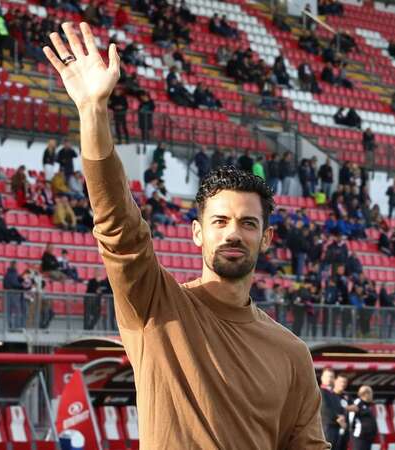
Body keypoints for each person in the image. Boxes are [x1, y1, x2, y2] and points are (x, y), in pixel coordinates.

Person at [42, 23, 328, 448]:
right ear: (196, 233)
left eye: (248, 223)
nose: (233, 233)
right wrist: (93, 111)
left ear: (266, 239)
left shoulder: (291, 353)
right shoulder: (155, 306)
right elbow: (118, 227)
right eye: (219, 221)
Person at [320, 368, 347, 447]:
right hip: (326, 428)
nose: (329, 379)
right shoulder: (320, 391)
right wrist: (338, 418)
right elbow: (325, 408)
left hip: (336, 427)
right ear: (322, 378)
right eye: (327, 376)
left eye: (331, 377)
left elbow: (340, 408)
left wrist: (342, 417)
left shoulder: (333, 393)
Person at [350, 386, 377, 450]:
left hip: (369, 436)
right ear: (365, 394)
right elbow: (351, 417)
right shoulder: (358, 403)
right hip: (360, 436)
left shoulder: (369, 404)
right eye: (371, 393)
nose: (372, 396)